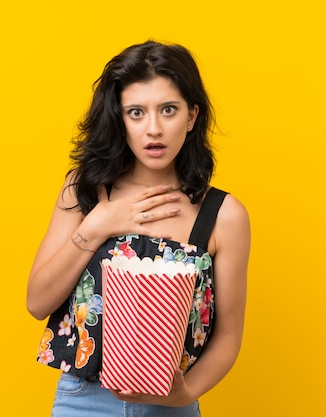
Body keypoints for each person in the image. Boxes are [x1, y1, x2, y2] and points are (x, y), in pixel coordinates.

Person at [27, 40, 250, 416]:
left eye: (168, 110)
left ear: (192, 116)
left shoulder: (224, 215)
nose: (153, 129)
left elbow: (228, 336)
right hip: (84, 401)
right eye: (135, 112)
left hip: (172, 406)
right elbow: (37, 303)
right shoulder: (83, 189)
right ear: (119, 118)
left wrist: (186, 393)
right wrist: (97, 225)